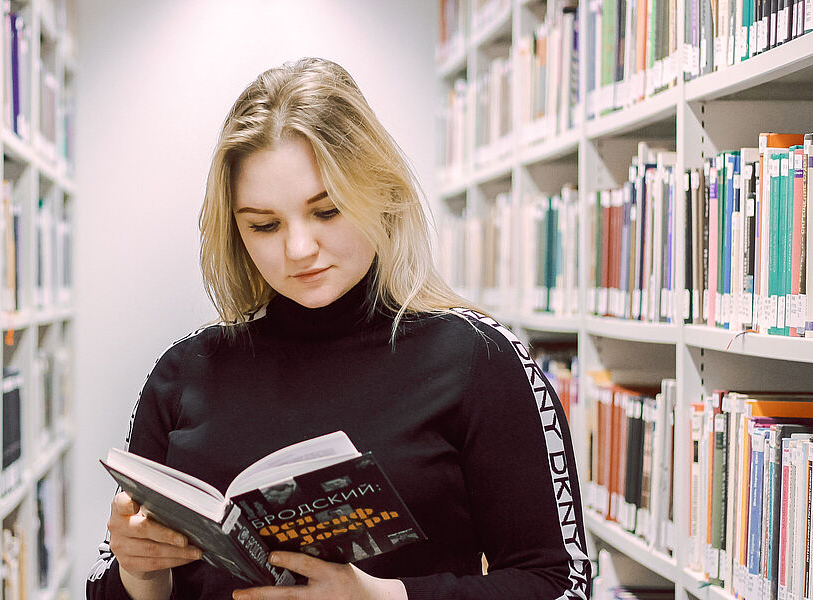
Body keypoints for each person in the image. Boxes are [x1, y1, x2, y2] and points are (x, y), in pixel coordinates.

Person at [86, 57, 591, 600]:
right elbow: (104, 585)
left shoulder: (479, 359)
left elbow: (562, 585)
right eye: (264, 224)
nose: (298, 249)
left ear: (379, 192)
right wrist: (141, 575)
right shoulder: (182, 373)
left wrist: (385, 598)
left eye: (326, 211)